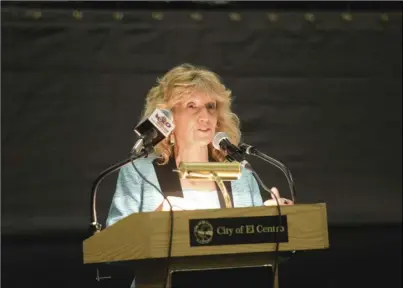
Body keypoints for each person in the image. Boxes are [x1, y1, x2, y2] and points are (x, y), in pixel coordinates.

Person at [105, 63, 293, 287]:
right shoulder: (137, 172)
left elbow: (269, 254)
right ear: (168, 117)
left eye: (211, 106)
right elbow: (112, 249)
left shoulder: (242, 175)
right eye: (192, 106)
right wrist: (153, 222)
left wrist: (274, 224)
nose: (205, 115)